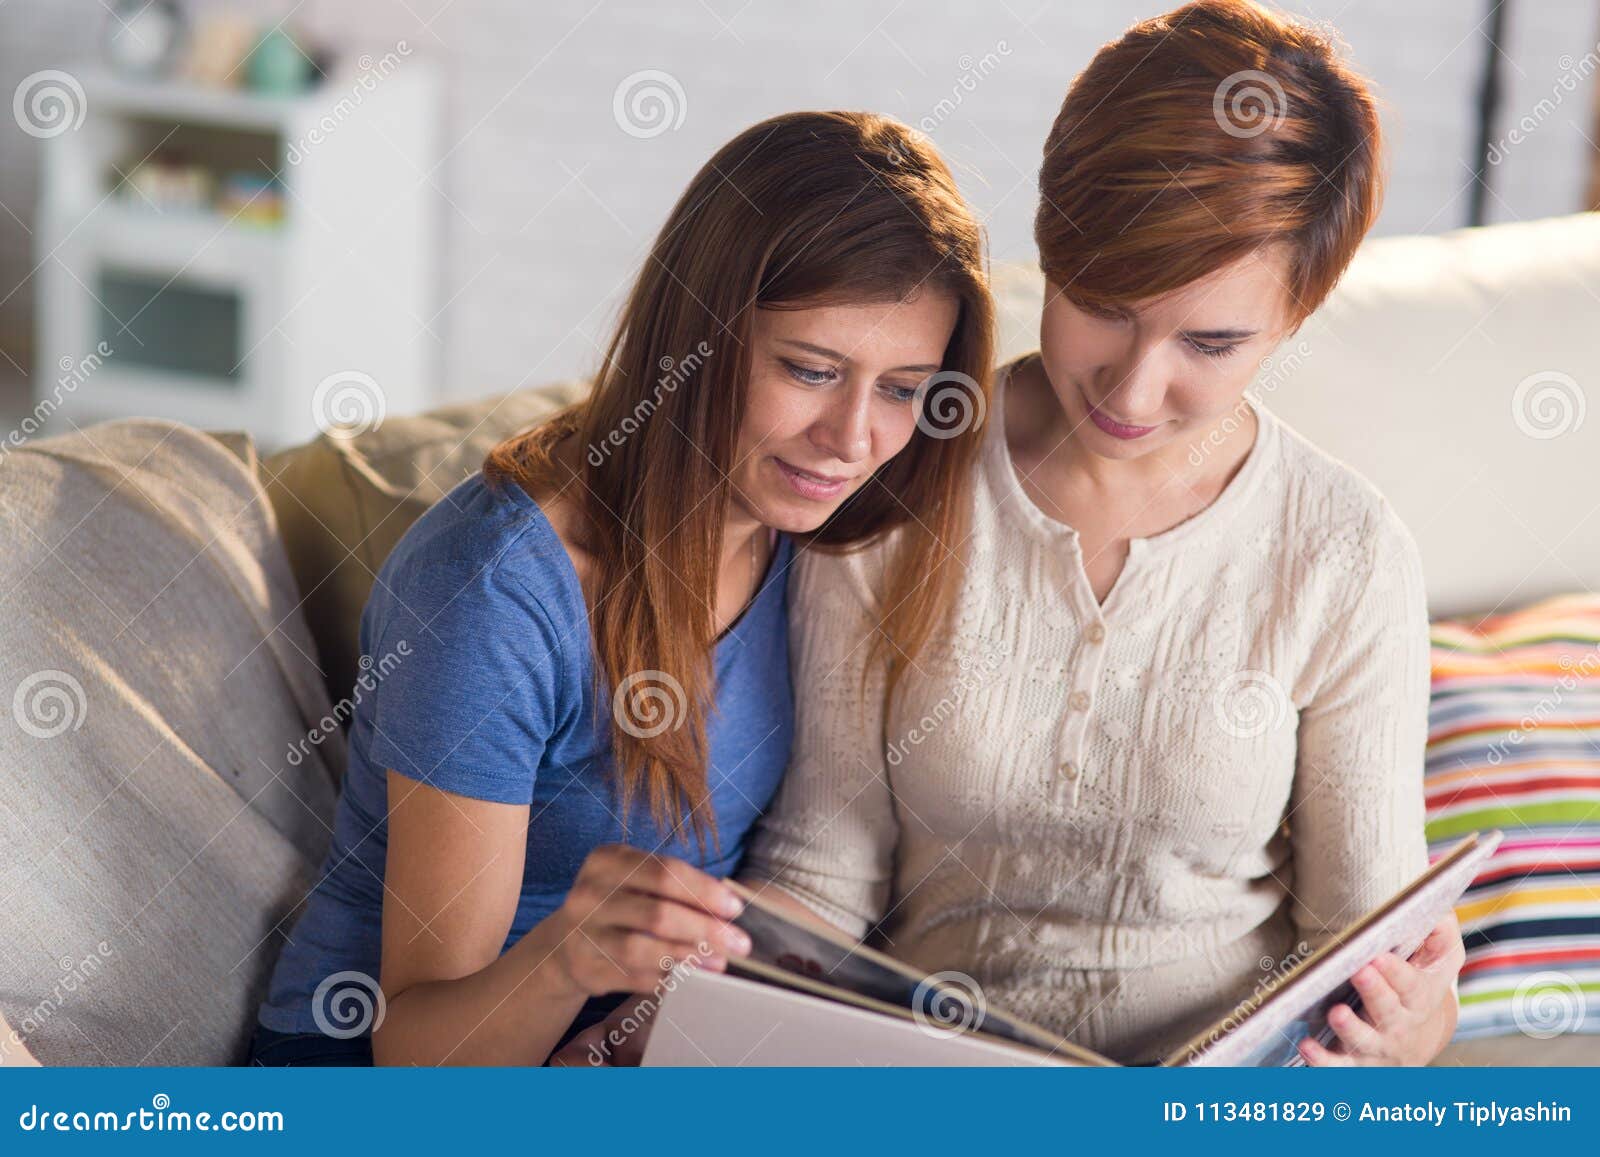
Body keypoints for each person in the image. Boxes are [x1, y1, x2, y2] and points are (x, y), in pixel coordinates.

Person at [741, 0, 1464, 1067]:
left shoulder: (1344, 551)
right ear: (1050, 239)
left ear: (1297, 315)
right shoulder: (902, 470)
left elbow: (1365, 942)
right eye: (1102, 303)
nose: (1134, 386)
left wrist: (1411, 1024)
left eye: (1210, 342)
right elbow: (822, 868)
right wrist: (734, 978)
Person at [246, 109, 995, 1066]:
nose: (852, 439)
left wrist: (638, 1025)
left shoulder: (819, 539)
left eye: (901, 389)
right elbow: (419, 1058)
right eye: (811, 370)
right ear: (698, 338)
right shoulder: (496, 591)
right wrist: (570, 959)